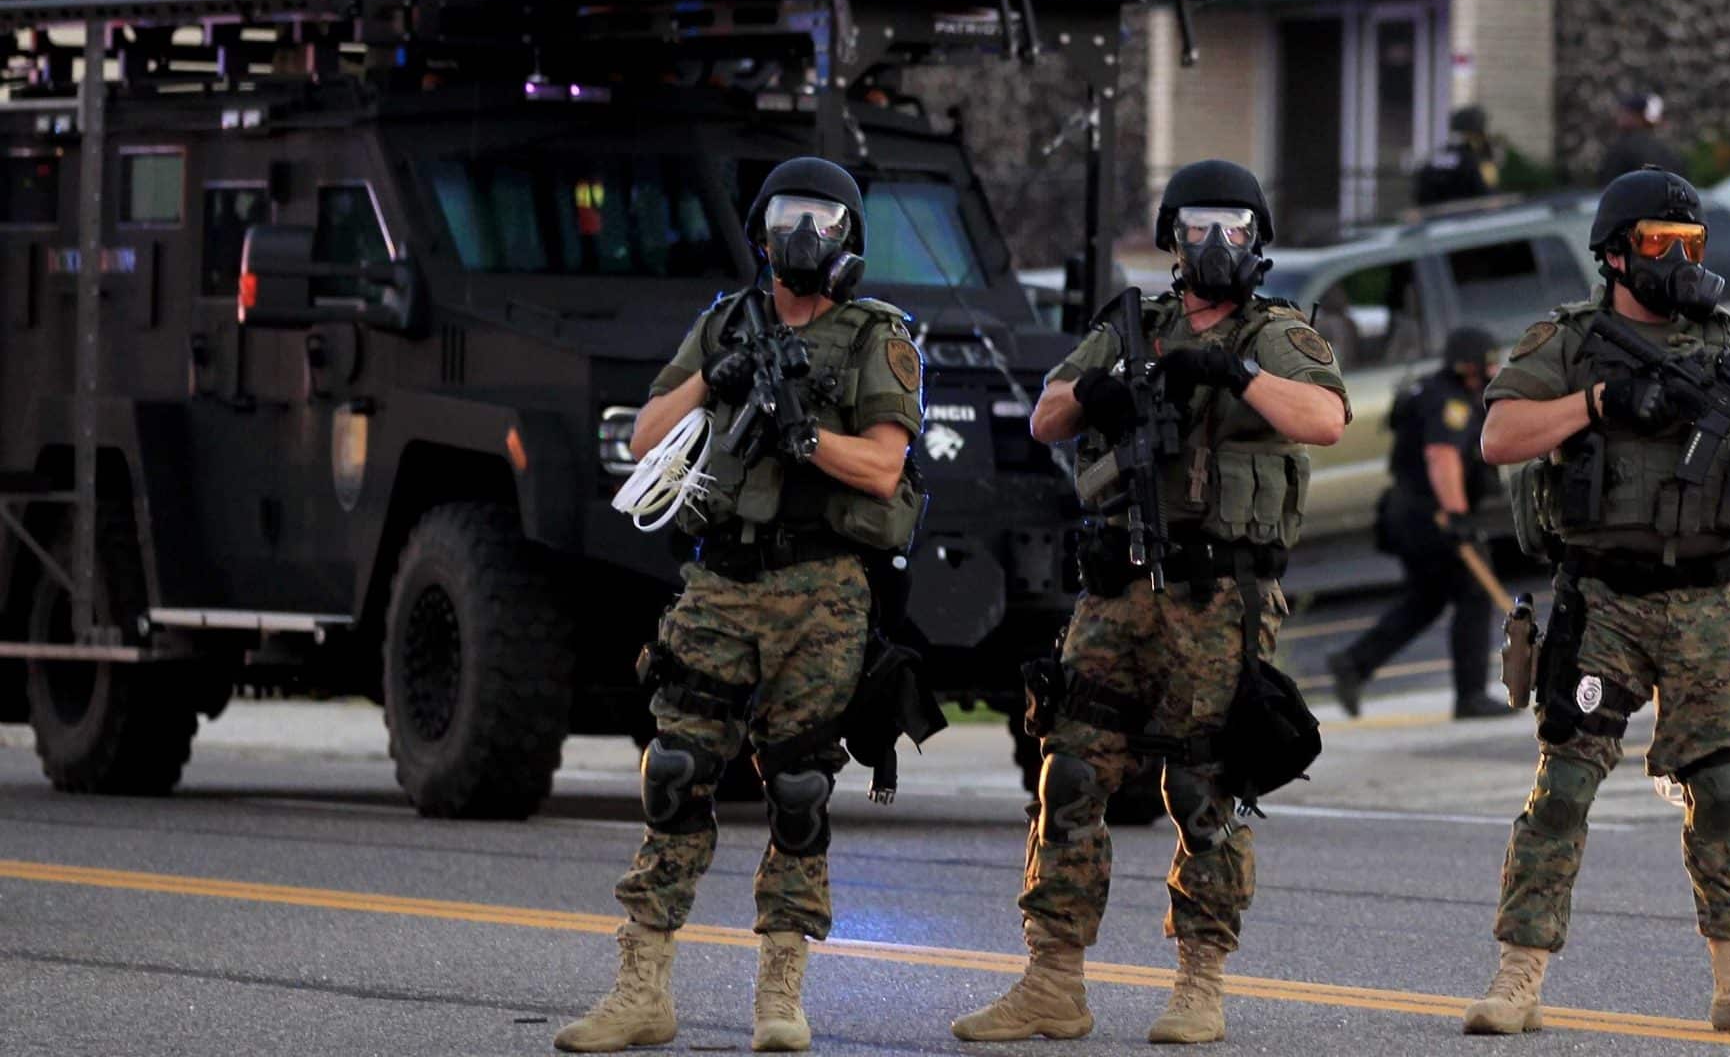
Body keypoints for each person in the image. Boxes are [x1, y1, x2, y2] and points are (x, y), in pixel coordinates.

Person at [952, 159, 1349, 1047]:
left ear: (1259, 241)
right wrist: (1095, 392)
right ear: (1172, 236)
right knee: (1074, 770)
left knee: (1206, 779)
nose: (1216, 245)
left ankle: (1200, 981)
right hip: (1117, 587)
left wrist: (1230, 371)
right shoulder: (1134, 326)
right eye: (1199, 226)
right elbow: (1045, 417)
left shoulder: (1275, 332)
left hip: (1219, 594)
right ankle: (1053, 979)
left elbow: (1324, 418)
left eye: (1235, 229)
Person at [556, 158, 924, 1055]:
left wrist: (804, 437)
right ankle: (641, 989)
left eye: (824, 217)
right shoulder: (725, 324)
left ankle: (780, 997)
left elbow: (883, 468)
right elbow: (643, 437)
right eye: (791, 215)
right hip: (721, 581)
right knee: (676, 770)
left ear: (850, 236)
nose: (807, 233)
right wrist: (715, 379)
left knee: (798, 787)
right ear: (762, 229)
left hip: (823, 589)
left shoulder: (878, 336)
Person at [1462, 167, 1730, 1038]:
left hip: (1706, 602)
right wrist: (1598, 402)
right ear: (1618, 255)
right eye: (1662, 245)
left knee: (1727, 791)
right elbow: (1499, 436)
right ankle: (1517, 979)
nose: (1680, 263)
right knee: (1566, 786)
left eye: (1692, 246)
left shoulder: (1727, 343)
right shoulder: (1572, 341)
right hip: (1603, 600)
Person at [1327, 325, 1513, 721]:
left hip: (1408, 511)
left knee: (1426, 600)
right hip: (1430, 513)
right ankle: (1471, 696)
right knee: (1473, 593)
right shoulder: (1450, 402)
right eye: (1487, 363)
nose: (1493, 369)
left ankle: (1354, 662)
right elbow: (1441, 456)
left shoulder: (1435, 390)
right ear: (1467, 366)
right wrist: (1458, 517)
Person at [1415, 105, 1501, 206]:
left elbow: (1422, 193)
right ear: (1473, 134)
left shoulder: (1440, 156)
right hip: (1469, 216)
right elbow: (1487, 195)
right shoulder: (1472, 160)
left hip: (1436, 217)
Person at [1595, 92, 1684, 185]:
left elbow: (1607, 187)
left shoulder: (1623, 148)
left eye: (1626, 112)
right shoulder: (1667, 151)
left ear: (1637, 116)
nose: (1620, 116)